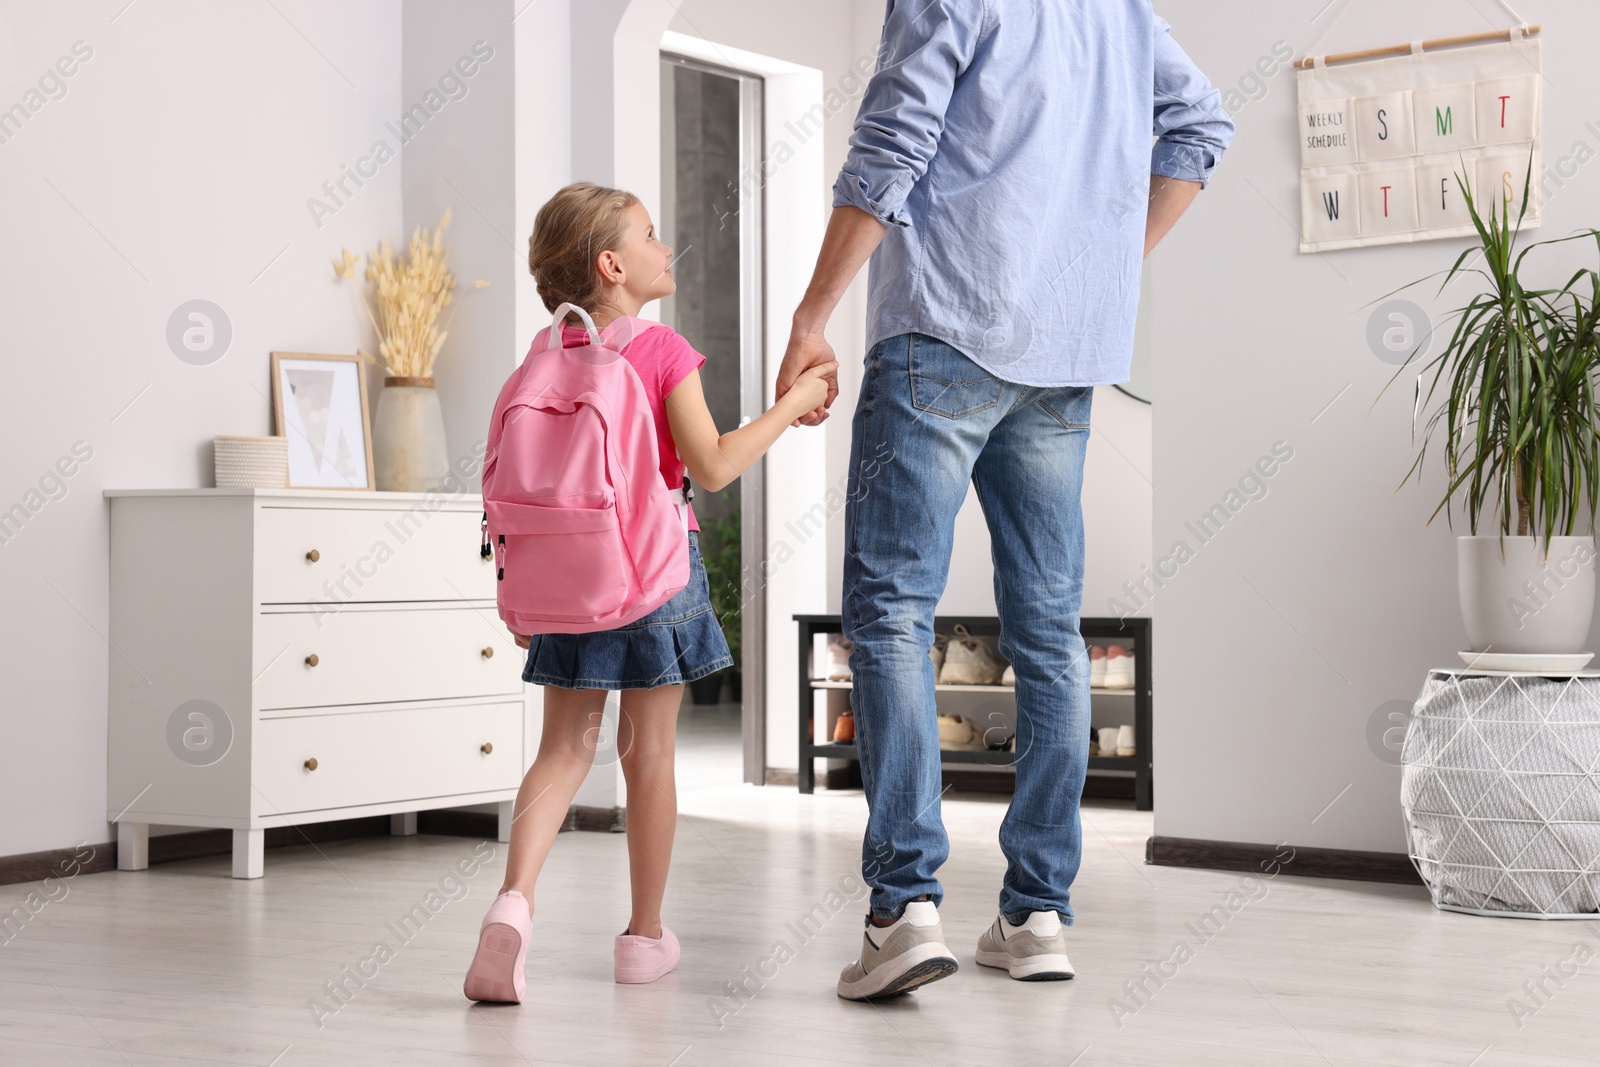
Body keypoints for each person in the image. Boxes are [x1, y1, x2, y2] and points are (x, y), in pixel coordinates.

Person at [775, 3, 1236, 1000]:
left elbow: (891, 146)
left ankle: (902, 907)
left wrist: (810, 314)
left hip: (941, 326)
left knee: (892, 610)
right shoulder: (1119, 12)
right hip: (1063, 355)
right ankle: (1035, 912)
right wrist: (1104, 267)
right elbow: (1201, 128)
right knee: (1048, 626)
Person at [464, 182, 834, 1002]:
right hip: (653, 570)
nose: (666, 248)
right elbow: (714, 465)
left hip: (566, 577)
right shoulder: (663, 351)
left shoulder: (544, 357)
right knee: (649, 753)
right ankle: (642, 936)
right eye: (651, 235)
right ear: (612, 265)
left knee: (561, 751)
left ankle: (513, 903)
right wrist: (794, 405)